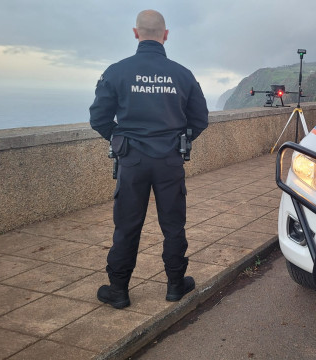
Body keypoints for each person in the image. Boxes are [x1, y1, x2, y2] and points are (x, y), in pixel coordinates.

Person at [90, 9, 209, 309]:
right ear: (165, 35)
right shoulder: (183, 74)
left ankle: (118, 289)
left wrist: (121, 140)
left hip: (132, 161)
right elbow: (200, 119)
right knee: (173, 225)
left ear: (136, 33)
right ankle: (174, 285)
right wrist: (179, 140)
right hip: (170, 160)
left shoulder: (116, 72)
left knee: (127, 225)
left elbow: (99, 118)